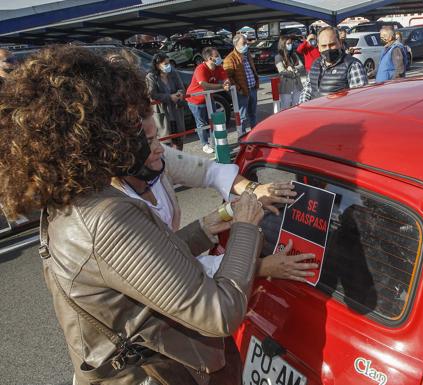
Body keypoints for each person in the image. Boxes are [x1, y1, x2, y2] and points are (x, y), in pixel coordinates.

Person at [0, 45, 264, 384]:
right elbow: (219, 312)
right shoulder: (105, 215)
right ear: (94, 131)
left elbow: (131, 271)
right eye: (130, 119)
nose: (143, 128)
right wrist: (245, 225)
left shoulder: (73, 201)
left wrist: (199, 230)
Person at [114, 116, 318, 281]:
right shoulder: (115, 211)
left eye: (157, 137)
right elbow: (167, 272)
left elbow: (208, 171)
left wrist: (254, 189)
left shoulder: (158, 158)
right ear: (119, 151)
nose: (160, 148)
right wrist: (259, 267)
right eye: (149, 141)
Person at [299, 26, 368, 103]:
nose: (328, 49)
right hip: (316, 112)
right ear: (318, 47)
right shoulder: (316, 64)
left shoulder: (353, 65)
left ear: (340, 43)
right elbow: (307, 90)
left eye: (332, 44)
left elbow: (359, 99)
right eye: (324, 46)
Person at [186, 47, 231, 154]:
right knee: (202, 123)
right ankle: (205, 144)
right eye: (217, 56)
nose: (219, 57)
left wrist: (227, 83)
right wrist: (221, 85)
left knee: (215, 120)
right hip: (195, 100)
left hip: (209, 98)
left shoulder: (218, 67)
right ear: (210, 58)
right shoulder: (200, 69)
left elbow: (226, 78)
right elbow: (204, 85)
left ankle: (217, 142)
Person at [146, 53, 186, 150]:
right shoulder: (151, 77)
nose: (169, 66)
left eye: (169, 63)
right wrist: (169, 97)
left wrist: (180, 93)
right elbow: (152, 94)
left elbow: (181, 87)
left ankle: (179, 162)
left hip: (176, 112)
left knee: (179, 140)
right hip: (163, 113)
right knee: (166, 143)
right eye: (165, 64)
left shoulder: (173, 73)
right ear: (157, 65)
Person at [224, 34, 259, 131]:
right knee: (242, 116)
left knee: (253, 114)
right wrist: (239, 89)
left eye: (246, 43)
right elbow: (228, 76)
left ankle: (254, 135)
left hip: (252, 88)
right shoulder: (229, 59)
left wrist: (256, 83)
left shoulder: (247, 55)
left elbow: (251, 70)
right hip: (242, 92)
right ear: (236, 45)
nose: (246, 45)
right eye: (244, 43)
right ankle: (242, 137)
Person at [275, 35, 306, 109]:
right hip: (286, 86)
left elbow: (301, 66)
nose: (290, 45)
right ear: (283, 45)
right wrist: (295, 71)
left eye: (291, 43)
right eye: (288, 43)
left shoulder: (294, 54)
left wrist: (292, 69)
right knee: (286, 107)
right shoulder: (278, 57)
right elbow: (282, 71)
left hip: (297, 85)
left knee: (297, 106)